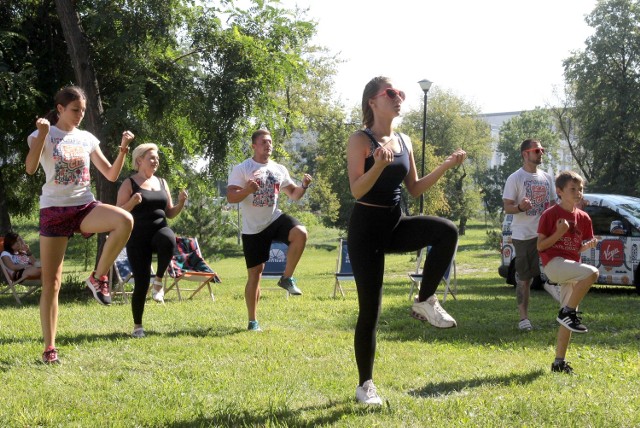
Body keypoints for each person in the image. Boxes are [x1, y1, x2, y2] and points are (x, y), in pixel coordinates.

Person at [346, 76, 466, 405]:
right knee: (370, 310)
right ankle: (365, 386)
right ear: (373, 101)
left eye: (400, 93)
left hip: (395, 223)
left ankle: (425, 300)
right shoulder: (360, 139)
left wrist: (445, 165)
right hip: (366, 229)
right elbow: (356, 189)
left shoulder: (404, 140)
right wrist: (377, 164)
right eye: (391, 93)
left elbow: (413, 188)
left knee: (446, 230)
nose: (399, 97)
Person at [26, 85, 135, 364]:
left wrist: (123, 149)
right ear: (60, 109)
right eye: (75, 110)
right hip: (54, 210)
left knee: (124, 220)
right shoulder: (45, 134)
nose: (79, 115)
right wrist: (41, 134)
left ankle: (97, 278)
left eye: (83, 111)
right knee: (52, 283)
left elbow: (110, 175)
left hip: (84, 206)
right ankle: (50, 349)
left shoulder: (87, 138)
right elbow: (30, 168)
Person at [227, 129, 312, 332]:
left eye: (271, 142)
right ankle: (252, 321)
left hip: (274, 218)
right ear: (254, 145)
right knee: (255, 274)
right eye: (264, 142)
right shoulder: (243, 168)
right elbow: (231, 197)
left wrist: (304, 186)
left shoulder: (278, 168)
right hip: (253, 229)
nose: (269, 145)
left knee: (301, 233)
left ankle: (286, 278)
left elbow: (293, 194)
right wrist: (247, 190)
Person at [116, 143, 188, 338]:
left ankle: (158, 282)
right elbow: (117, 212)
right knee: (140, 283)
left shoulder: (162, 183)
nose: (156, 161)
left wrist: (181, 203)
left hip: (158, 231)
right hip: (137, 237)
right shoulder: (129, 183)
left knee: (169, 238)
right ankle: (137, 326)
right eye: (152, 158)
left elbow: (170, 213)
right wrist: (131, 203)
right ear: (139, 160)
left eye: (157, 158)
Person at [537, 171, 598, 374]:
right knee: (592, 273)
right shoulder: (551, 214)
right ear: (560, 191)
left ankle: (558, 362)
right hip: (554, 265)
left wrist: (586, 246)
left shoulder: (584, 218)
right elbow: (540, 246)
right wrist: (559, 232)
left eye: (580, 189)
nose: (578, 192)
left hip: (570, 268)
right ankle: (567, 312)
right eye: (573, 189)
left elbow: (576, 247)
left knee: (568, 322)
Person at [502, 139, 555, 331]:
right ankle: (524, 319)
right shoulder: (515, 178)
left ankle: (561, 301)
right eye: (537, 150)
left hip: (546, 234)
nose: (541, 153)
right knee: (525, 279)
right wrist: (520, 207)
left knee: (555, 268)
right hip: (524, 235)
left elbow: (552, 206)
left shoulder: (547, 177)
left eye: (542, 149)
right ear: (525, 154)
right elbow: (507, 207)